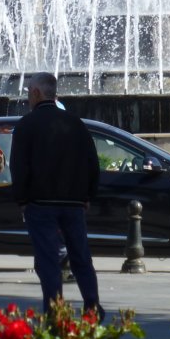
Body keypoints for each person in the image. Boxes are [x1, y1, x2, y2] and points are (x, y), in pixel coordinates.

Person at [10, 72, 104, 321]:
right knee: (81, 257)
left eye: (29, 92)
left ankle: (54, 313)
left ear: (36, 94)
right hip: (73, 204)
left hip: (40, 204)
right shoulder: (75, 123)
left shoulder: (26, 125)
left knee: (48, 260)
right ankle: (92, 307)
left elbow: (18, 167)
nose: (28, 97)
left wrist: (21, 199)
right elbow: (92, 164)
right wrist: (87, 195)